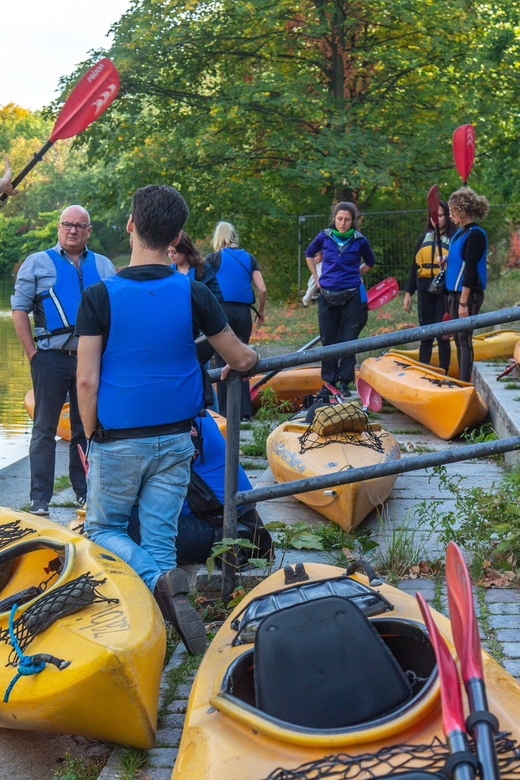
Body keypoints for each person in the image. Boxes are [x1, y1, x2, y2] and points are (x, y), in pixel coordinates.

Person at [75, 184, 259, 655]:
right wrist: (251, 355)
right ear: (176, 235)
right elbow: (238, 357)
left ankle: (155, 595)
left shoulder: (99, 295)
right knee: (160, 542)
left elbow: (86, 382)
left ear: (131, 226)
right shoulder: (193, 291)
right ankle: (160, 629)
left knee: (101, 530)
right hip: (178, 439)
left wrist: (92, 435)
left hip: (118, 438)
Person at [11, 205, 115, 516]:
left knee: (85, 428)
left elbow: (116, 311)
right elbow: (19, 311)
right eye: (67, 225)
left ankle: (83, 493)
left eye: (79, 226)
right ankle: (40, 499)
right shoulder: (37, 263)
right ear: (59, 228)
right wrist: (33, 355)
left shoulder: (104, 265)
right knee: (44, 428)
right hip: (50, 358)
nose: (73, 230)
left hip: (90, 360)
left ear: (88, 231)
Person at [127, 413, 273, 566]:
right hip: (235, 524)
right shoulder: (186, 411)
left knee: (113, 521)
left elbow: (171, 507)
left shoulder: (179, 431)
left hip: (229, 534)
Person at [305, 202, 375, 399]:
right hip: (327, 295)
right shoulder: (324, 237)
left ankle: (344, 382)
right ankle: (329, 382)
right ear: (334, 219)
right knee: (328, 339)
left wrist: (356, 274)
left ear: (353, 221)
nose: (343, 223)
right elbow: (309, 253)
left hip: (351, 296)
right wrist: (317, 279)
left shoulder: (360, 240)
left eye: (347, 219)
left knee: (349, 339)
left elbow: (370, 261)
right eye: (339, 219)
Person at [205, 221, 267, 419]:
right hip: (244, 313)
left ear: (218, 237)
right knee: (243, 358)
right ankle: (244, 412)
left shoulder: (213, 258)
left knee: (222, 362)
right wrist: (261, 311)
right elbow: (262, 289)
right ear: (234, 236)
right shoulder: (249, 258)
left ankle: (225, 412)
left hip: (221, 311)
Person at [403, 200, 456, 372]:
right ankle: (423, 371)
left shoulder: (453, 240)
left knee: (443, 335)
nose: (436, 219)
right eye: (434, 216)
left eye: (440, 215)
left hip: (443, 292)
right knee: (425, 335)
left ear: (447, 217)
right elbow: (414, 268)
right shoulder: (423, 239)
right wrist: (408, 293)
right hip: (425, 290)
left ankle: (444, 371)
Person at [446, 187, 489, 383]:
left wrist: (464, 302)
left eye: (452, 210)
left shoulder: (476, 235)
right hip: (454, 293)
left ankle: (465, 382)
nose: (450, 214)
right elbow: (458, 262)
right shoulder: (459, 233)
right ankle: (461, 380)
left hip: (468, 295)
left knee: (464, 339)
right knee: (458, 338)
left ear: (461, 211)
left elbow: (470, 269)